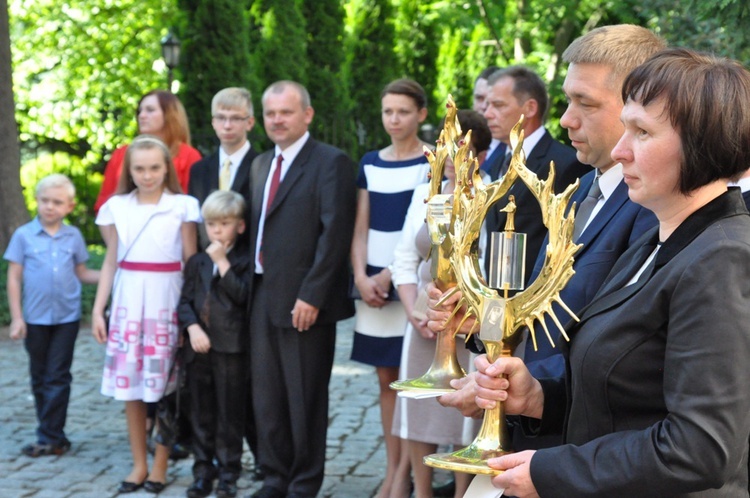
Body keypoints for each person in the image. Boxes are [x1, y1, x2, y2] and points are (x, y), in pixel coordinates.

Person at [471, 48, 750, 497]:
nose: (620, 151)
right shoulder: (656, 242)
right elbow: (633, 397)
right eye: (625, 128)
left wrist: (553, 471)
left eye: (642, 132)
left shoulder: (723, 257)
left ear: (702, 142)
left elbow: (701, 449)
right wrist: (541, 398)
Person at [248, 81, 356, 498]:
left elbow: (335, 234)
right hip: (260, 296)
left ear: (306, 115)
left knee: (304, 397)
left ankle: (304, 483)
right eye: (271, 113)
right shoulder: (260, 165)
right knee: (267, 396)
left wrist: (311, 293)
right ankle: (274, 477)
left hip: (305, 301)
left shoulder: (330, 162)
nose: (277, 120)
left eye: (286, 112)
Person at [91, 135, 200, 494]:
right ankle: (138, 464)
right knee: (132, 390)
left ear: (166, 167)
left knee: (165, 389)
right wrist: (98, 310)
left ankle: (160, 465)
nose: (148, 175)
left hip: (165, 302)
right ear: (129, 170)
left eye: (155, 167)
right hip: (127, 302)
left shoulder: (182, 206)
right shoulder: (117, 207)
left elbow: (189, 261)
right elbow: (111, 260)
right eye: (139, 168)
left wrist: (189, 315)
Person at [391, 109, 491, 498]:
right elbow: (404, 257)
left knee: (461, 419)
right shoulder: (424, 193)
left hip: (468, 327)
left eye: (459, 152)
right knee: (417, 407)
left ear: (479, 156)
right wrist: (411, 311)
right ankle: (422, 490)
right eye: (444, 152)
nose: (449, 161)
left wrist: (473, 313)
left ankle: (463, 490)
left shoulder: (494, 195)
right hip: (422, 320)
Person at [350, 78, 432, 498]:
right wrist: (362, 277)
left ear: (421, 113)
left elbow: (422, 230)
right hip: (373, 291)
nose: (394, 119)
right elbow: (360, 228)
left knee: (410, 380)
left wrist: (386, 276)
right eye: (387, 111)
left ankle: (410, 476)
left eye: (402, 111)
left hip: (408, 287)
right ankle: (392, 470)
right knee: (385, 381)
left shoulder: (430, 162)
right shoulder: (370, 161)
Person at [3, 174, 99, 457]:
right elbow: (14, 279)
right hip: (35, 319)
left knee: (57, 375)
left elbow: (82, 273)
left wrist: (115, 274)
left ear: (69, 206)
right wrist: (17, 318)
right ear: (37, 201)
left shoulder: (74, 237)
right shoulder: (23, 235)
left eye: (57, 202)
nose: (49, 207)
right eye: (45, 200)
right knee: (39, 376)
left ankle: (50, 436)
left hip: (66, 320)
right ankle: (54, 433)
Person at [481, 66, 590, 284]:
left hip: (537, 302)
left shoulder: (565, 164)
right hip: (495, 298)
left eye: (498, 105)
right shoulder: (495, 164)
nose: (487, 114)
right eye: (486, 106)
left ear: (530, 108)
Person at [177, 190, 250, 498]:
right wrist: (193, 328)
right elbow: (183, 302)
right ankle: (202, 470)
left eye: (224, 223)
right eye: (211, 224)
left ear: (240, 226)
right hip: (198, 348)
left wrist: (223, 263)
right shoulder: (196, 262)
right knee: (201, 412)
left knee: (229, 412)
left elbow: (243, 296)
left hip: (231, 349)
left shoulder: (245, 261)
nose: (217, 230)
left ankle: (229, 472)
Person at [94, 90, 201, 213]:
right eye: (140, 111)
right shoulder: (122, 153)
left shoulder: (188, 155)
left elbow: (192, 207)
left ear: (169, 114)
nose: (141, 115)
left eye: (150, 110)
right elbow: (103, 203)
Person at [189, 87, 258, 250]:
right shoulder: (199, 170)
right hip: (206, 263)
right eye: (221, 118)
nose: (227, 125)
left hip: (246, 263)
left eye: (235, 118)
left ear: (249, 123)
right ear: (213, 122)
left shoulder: (262, 166)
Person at [473, 65, 504, 174]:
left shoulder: (515, 149)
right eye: (479, 98)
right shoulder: (459, 142)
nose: (484, 106)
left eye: (493, 101)